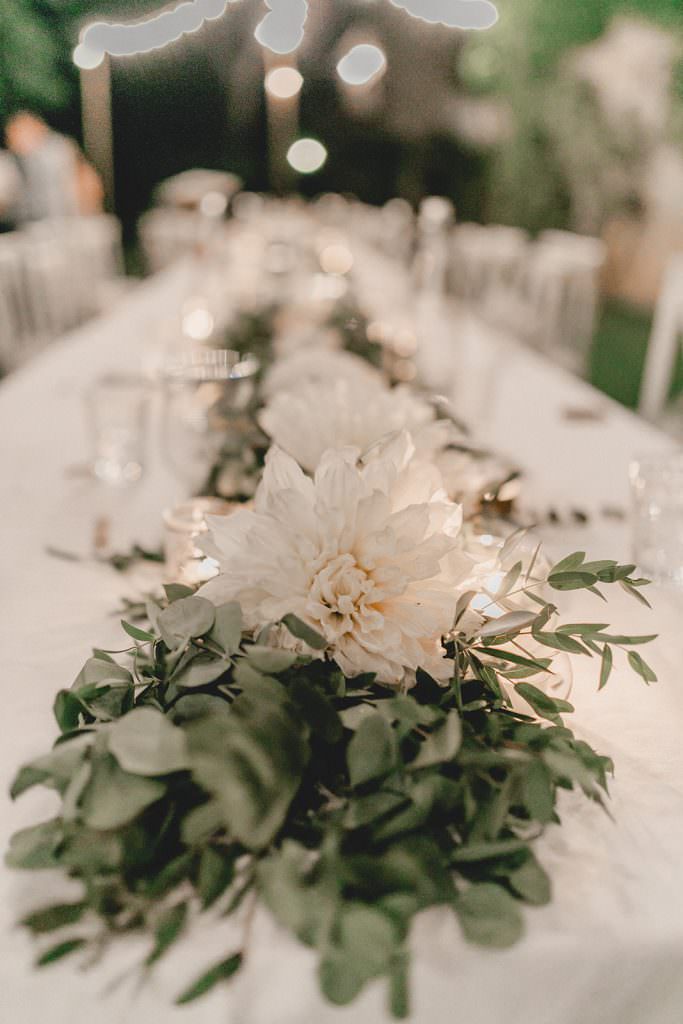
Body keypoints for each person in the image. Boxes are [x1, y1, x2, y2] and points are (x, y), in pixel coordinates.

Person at [4, 111, 102, 223]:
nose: (12, 142)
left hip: (67, 221)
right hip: (49, 224)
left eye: (17, 133)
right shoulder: (23, 161)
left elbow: (85, 185)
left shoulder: (56, 152)